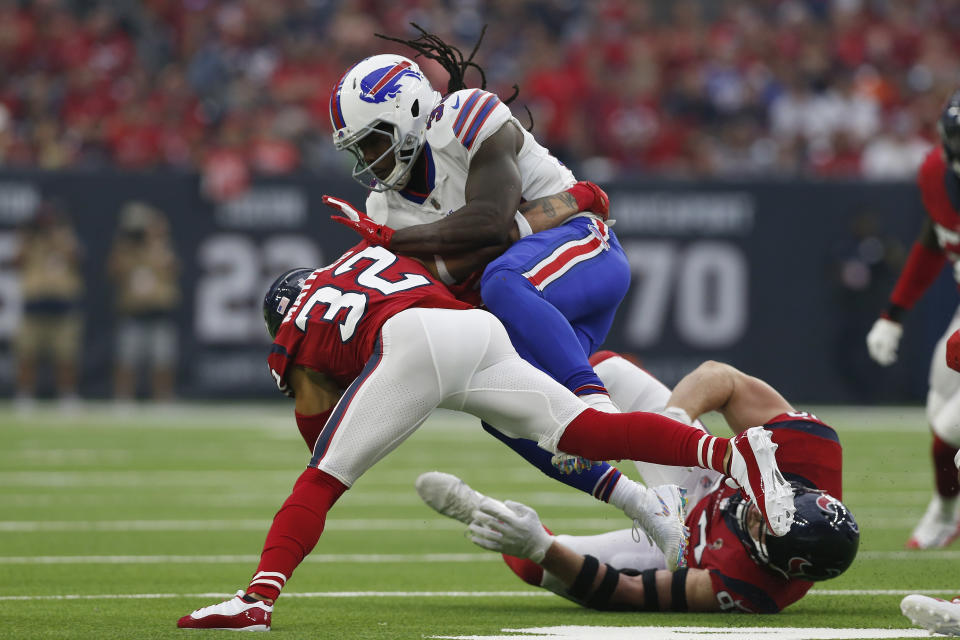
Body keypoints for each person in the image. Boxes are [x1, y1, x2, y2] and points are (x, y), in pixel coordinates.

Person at [176, 241, 795, 631]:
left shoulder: (300, 323)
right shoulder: (360, 258)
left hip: (412, 346)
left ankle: (256, 599)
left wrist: (327, 424)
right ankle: (734, 454)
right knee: (587, 430)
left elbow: (316, 425)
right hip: (472, 329)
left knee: (321, 478)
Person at [325, 27, 636, 524]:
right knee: (501, 401)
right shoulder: (384, 206)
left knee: (500, 280)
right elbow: (468, 260)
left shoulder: (465, 117)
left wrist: (400, 243)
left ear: (407, 114)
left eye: (374, 142)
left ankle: (596, 409)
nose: (368, 160)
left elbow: (490, 220)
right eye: (359, 150)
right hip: (535, 305)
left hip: (583, 254)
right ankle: (643, 505)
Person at [417, 354, 859, 613]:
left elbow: (627, 592)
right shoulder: (810, 452)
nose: (757, 508)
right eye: (777, 501)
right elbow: (720, 378)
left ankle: (481, 511)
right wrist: (675, 429)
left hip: (680, 545)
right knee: (605, 369)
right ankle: (514, 389)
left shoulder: (752, 588)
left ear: (769, 558)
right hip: (710, 474)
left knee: (536, 566)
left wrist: (540, 548)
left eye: (764, 525)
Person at [865, 88, 960, 549]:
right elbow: (934, 237)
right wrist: (893, 314)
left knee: (951, 429)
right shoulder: (936, 172)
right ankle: (946, 511)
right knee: (938, 410)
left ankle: (944, 514)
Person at [106, 202, 181, 402]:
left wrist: (156, 240)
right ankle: (123, 398)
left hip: (159, 312)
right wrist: (126, 245)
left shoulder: (161, 247)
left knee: (163, 360)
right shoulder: (124, 250)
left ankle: (163, 398)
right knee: (126, 359)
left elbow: (172, 269)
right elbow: (114, 272)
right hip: (133, 312)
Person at [14, 200, 84, 409]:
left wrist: (59, 239)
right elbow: (16, 262)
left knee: (66, 355)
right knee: (27, 353)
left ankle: (67, 395)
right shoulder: (29, 240)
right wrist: (30, 239)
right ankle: (25, 395)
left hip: (62, 305)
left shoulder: (66, 239)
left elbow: (78, 258)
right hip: (34, 304)